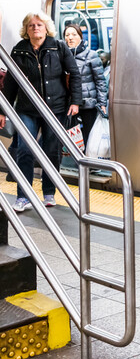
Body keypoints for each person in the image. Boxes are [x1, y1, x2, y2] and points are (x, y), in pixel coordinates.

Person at [0, 12, 81, 212]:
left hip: (56, 109)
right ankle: (23, 196)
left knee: (52, 151)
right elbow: (10, 83)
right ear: (26, 30)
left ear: (46, 28)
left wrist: (76, 102)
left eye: (39, 25)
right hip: (27, 109)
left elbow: (75, 74)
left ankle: (48, 193)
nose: (35, 28)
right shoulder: (19, 50)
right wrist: (2, 111)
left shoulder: (59, 46)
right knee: (24, 150)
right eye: (31, 25)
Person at [63, 23, 108, 150]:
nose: (70, 38)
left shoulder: (91, 55)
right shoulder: (62, 57)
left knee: (89, 135)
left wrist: (102, 103)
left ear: (81, 37)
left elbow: (100, 81)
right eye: (67, 35)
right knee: (72, 135)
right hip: (70, 103)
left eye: (74, 34)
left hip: (89, 103)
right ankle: (76, 163)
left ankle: (91, 165)